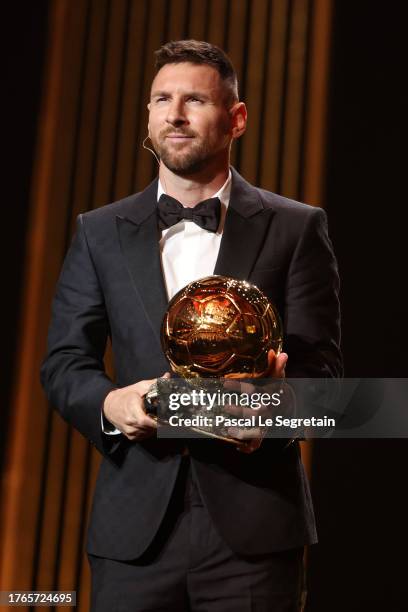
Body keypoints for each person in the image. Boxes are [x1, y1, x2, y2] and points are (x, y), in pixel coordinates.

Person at [41, 40, 342, 612]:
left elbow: (324, 379)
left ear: (237, 118)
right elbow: (63, 364)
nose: (175, 114)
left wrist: (273, 412)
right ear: (149, 116)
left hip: (255, 532)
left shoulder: (297, 228)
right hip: (133, 532)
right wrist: (112, 406)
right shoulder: (99, 232)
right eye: (162, 99)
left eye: (195, 100)